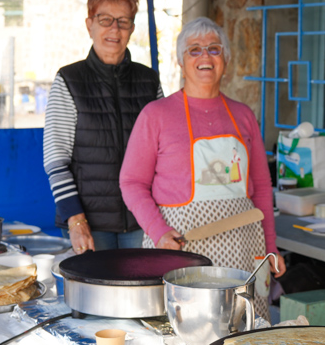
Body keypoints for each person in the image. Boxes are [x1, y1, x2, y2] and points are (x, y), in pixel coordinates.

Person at [119, 17, 286, 286]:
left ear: (225, 60)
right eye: (194, 49)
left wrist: (270, 246)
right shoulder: (155, 115)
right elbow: (131, 182)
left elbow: (263, 187)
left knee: (241, 311)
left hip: (243, 244)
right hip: (179, 244)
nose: (205, 56)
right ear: (181, 62)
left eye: (214, 49)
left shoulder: (243, 115)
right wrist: (158, 231)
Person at [43, 0, 162, 253]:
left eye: (123, 21)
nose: (114, 29)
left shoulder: (149, 80)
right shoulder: (69, 80)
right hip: (89, 225)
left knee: (144, 282)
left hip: (142, 221)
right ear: (90, 25)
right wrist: (76, 220)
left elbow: (163, 153)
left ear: (132, 28)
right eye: (105, 20)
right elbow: (56, 159)